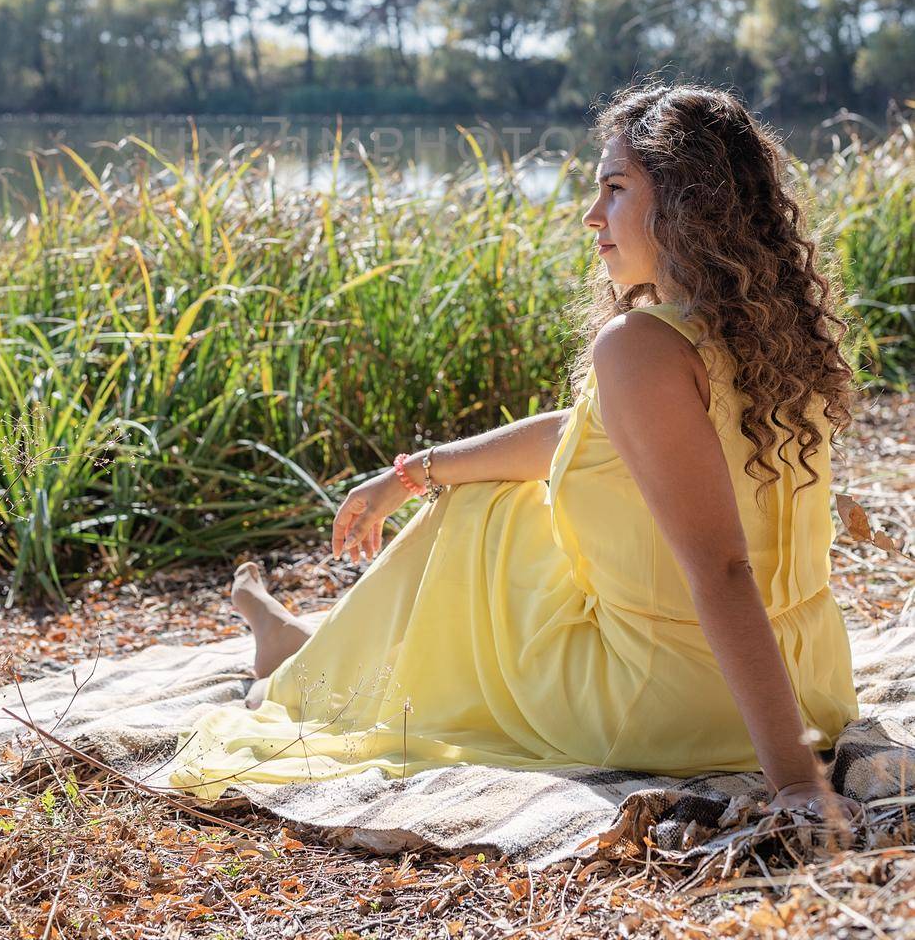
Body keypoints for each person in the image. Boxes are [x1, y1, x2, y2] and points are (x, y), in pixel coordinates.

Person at [171, 81, 861, 832]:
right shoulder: (770, 333)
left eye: (615, 188)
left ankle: (299, 673)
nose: (591, 216)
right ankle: (305, 645)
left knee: (486, 510)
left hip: (678, 704)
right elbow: (581, 438)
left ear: (687, 206)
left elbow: (722, 570)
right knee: (488, 491)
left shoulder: (641, 347)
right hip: (814, 689)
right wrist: (410, 473)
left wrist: (794, 782)